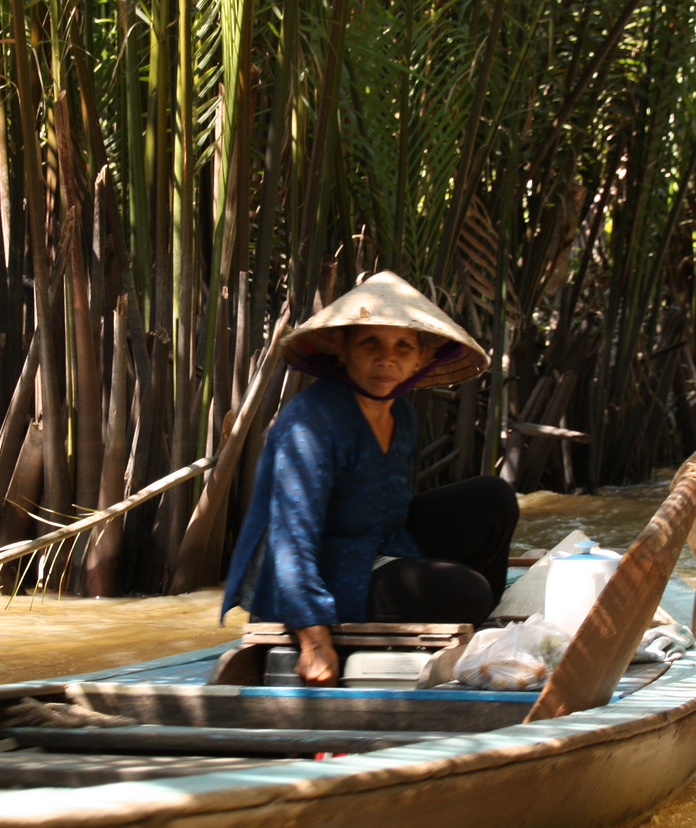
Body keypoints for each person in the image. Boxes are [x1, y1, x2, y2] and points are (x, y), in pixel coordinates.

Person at [222, 272, 519, 685]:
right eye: (370, 343)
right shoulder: (311, 422)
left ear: (420, 358)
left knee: (492, 498)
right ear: (343, 349)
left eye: (403, 346)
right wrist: (314, 642)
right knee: (466, 591)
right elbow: (291, 539)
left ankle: (466, 629)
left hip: (380, 543)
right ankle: (456, 609)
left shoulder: (403, 415)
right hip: (316, 575)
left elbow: (388, 509)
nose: (387, 359)